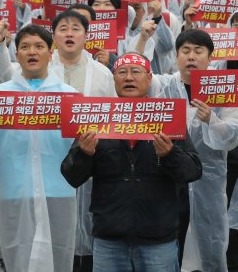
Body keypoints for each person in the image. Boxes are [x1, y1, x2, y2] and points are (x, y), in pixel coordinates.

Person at [60, 53, 203, 272]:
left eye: (136, 72)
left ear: (149, 78)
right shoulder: (97, 118)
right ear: (113, 79)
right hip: (109, 238)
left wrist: (169, 154)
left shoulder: (166, 118)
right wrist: (84, 153)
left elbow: (193, 170)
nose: (129, 78)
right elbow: (71, 176)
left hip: (158, 238)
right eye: (122, 72)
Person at [0, 24, 78, 272]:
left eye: (38, 46)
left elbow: (81, 144)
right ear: (16, 54)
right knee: (17, 256)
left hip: (58, 190)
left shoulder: (69, 96)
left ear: (50, 53)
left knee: (59, 253)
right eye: (24, 47)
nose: (31, 52)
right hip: (14, 191)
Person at [151, 29, 238, 272]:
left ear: (210, 57)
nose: (191, 56)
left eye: (198, 51)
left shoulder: (222, 89)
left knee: (210, 241)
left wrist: (212, 121)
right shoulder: (164, 86)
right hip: (168, 178)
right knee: (170, 240)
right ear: (176, 56)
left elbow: (234, 133)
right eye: (185, 51)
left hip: (209, 180)